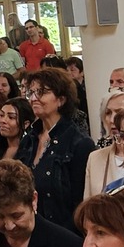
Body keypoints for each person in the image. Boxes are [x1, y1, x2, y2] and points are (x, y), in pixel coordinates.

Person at [17, 68, 92, 225]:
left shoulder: (79, 143)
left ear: (61, 100)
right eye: (31, 92)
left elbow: (80, 203)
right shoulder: (29, 139)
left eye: (41, 92)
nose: (34, 98)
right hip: (30, 227)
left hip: (64, 231)